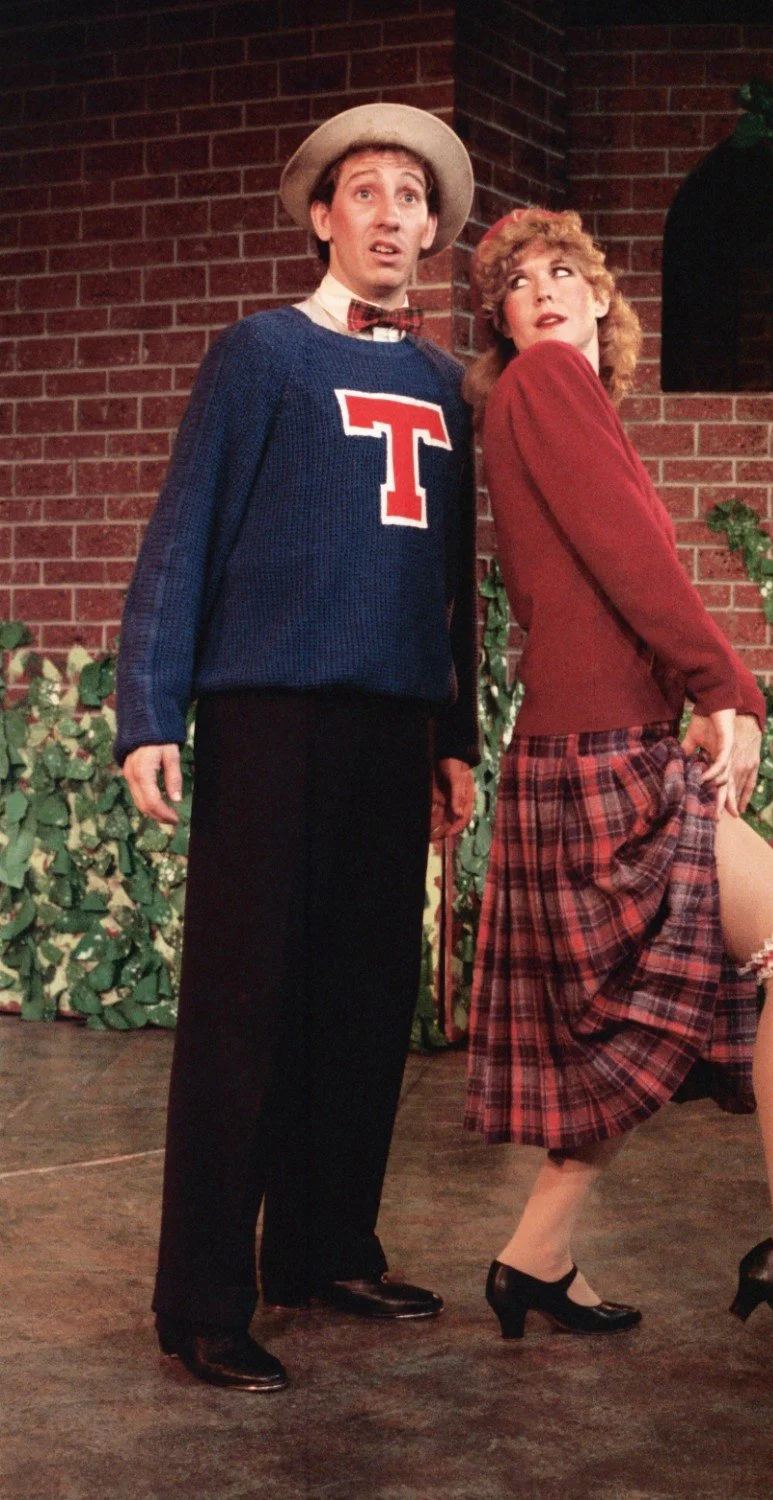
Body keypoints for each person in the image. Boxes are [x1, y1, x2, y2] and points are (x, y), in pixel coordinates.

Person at [462, 207, 773, 1396]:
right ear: (503, 322)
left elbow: (616, 574)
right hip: (597, 753)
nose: (539, 294)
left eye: (561, 274)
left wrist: (694, 698)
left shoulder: (571, 404)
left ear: (602, 301)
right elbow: (634, 565)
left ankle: (534, 1256)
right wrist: (725, 682)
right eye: (514, 284)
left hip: (602, 739)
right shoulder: (543, 384)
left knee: (654, 1016)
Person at [115, 103, 479, 1392]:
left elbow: (455, 580)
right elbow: (183, 534)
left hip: (394, 723)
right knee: (244, 1009)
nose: (389, 216)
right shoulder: (258, 356)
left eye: (411, 199)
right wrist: (150, 711)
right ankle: (203, 1297)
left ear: (434, 232)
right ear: (323, 215)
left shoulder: (442, 382)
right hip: (271, 713)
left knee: (364, 1003)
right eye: (365, 192)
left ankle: (325, 1247)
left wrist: (456, 733)